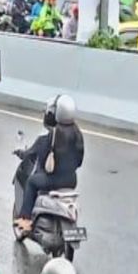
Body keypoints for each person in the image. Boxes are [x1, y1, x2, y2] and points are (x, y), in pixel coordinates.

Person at [15, 95, 85, 234]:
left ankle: (25, 220)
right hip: (71, 180)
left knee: (32, 182)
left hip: (54, 179)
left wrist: (23, 154)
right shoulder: (78, 133)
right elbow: (79, 160)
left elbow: (42, 156)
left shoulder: (53, 134)